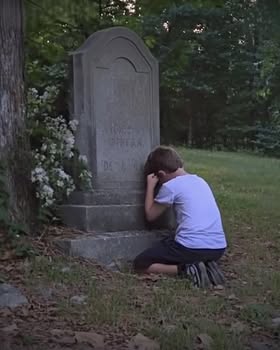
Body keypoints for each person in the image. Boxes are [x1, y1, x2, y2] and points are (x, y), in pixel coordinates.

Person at [133, 146, 227, 288]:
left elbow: (150, 215)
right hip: (218, 248)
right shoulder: (201, 181)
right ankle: (206, 266)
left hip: (191, 248)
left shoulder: (170, 186)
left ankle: (187, 269)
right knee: (170, 240)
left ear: (161, 174)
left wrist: (151, 187)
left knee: (140, 264)